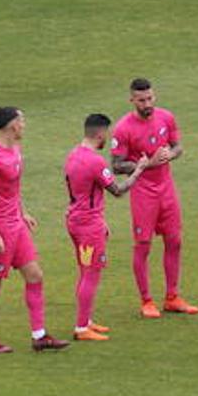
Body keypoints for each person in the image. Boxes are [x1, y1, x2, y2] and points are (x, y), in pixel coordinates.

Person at [0, 106, 69, 353]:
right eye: (22, 121)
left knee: (35, 275)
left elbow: (12, 188)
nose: (24, 125)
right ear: (12, 125)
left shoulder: (15, 150)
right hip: (0, 230)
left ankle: (39, 336)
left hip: (16, 225)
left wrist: (23, 211)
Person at [111, 78, 198, 318]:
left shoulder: (166, 117)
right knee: (143, 245)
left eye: (150, 98)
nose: (147, 103)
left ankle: (172, 297)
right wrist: (145, 165)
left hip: (166, 188)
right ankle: (146, 300)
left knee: (175, 240)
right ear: (132, 100)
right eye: (141, 100)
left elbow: (178, 147)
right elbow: (116, 166)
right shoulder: (122, 128)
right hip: (142, 192)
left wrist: (169, 155)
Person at [63, 113, 147, 341]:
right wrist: (139, 170)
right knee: (91, 273)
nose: (106, 139)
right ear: (100, 133)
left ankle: (86, 320)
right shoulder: (95, 161)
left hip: (75, 219)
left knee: (84, 270)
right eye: (105, 135)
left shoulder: (72, 155)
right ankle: (81, 328)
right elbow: (117, 190)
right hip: (88, 225)